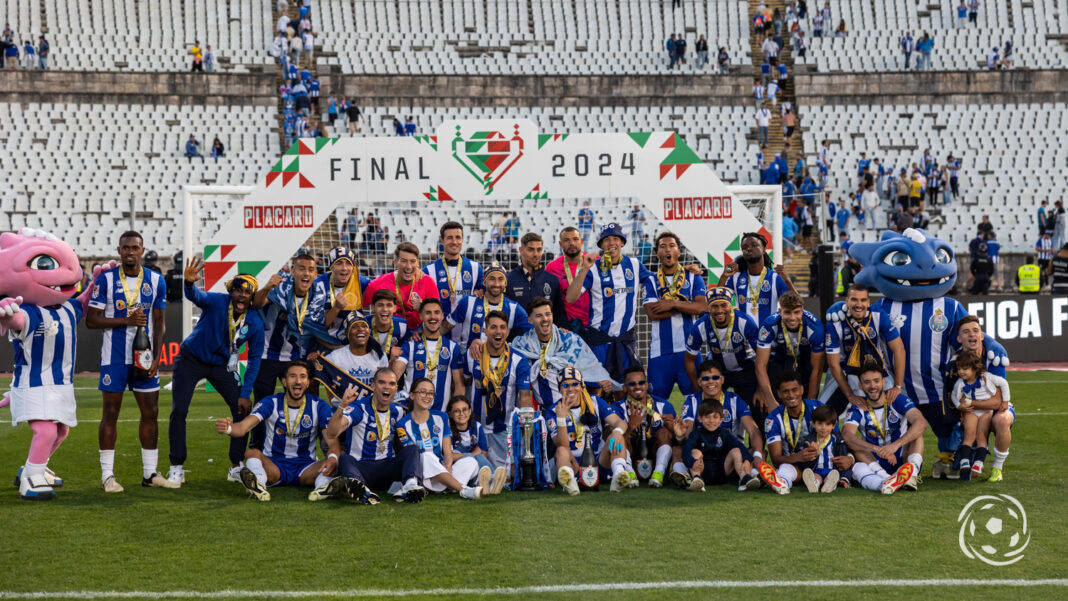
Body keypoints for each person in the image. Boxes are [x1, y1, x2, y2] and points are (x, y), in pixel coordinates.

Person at [85, 231, 174, 492]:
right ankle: (107, 476)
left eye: (135, 247)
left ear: (142, 250)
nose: (130, 252)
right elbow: (91, 320)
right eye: (126, 248)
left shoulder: (157, 280)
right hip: (114, 358)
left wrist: (157, 358)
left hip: (144, 358)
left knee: (151, 413)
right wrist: (127, 320)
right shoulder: (106, 280)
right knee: (110, 414)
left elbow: (159, 322)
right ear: (119, 250)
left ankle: (150, 474)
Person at [167, 259, 265, 486]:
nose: (242, 296)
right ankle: (177, 466)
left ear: (252, 297)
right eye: (238, 290)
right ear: (231, 292)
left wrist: (246, 392)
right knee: (179, 409)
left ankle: (235, 465)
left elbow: (254, 359)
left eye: (247, 292)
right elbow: (197, 297)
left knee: (242, 408)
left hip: (222, 365)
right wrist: (189, 285)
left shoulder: (255, 323)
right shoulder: (218, 301)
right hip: (190, 359)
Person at [214, 360, 341, 501]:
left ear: (308, 382)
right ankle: (259, 484)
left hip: (305, 467)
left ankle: (322, 489)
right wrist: (229, 428)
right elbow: (244, 427)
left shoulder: (319, 406)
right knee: (252, 453)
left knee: (332, 463)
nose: (298, 381)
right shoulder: (271, 402)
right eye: (293, 376)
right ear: (284, 382)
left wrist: (333, 459)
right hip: (274, 466)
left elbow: (332, 440)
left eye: (303, 376)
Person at [566, 223, 653, 383]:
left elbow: (656, 278)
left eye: (615, 238)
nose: (611, 243)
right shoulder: (592, 268)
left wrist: (683, 270)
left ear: (622, 242)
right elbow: (570, 298)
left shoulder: (634, 265)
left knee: (629, 388)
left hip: (626, 341)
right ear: (601, 245)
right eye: (606, 239)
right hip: (600, 340)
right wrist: (584, 268)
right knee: (598, 389)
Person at [325, 368, 426, 503]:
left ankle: (410, 485)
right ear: (373, 385)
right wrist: (342, 405)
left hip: (387, 467)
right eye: (382, 382)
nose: (387, 387)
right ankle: (360, 488)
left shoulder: (398, 411)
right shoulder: (359, 408)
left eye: (391, 384)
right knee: (345, 458)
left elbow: (405, 438)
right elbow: (332, 433)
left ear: (396, 388)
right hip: (362, 468)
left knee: (412, 449)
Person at [511, 297, 615, 410]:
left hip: (575, 409)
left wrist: (601, 380)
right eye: (539, 316)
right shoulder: (522, 345)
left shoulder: (570, 340)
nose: (545, 319)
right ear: (530, 320)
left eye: (548, 314)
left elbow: (589, 367)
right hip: (546, 411)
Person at [459, 309, 532, 469]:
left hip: (503, 430)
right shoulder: (473, 355)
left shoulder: (519, 360)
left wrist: (527, 430)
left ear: (507, 331)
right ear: (485, 331)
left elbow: (525, 397)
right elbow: (464, 384)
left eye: (502, 327)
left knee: (509, 475)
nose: (498, 331)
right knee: (473, 467)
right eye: (493, 327)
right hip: (475, 429)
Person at [251, 254, 324, 410]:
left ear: (316, 274)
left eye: (311, 270)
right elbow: (257, 304)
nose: (306, 273)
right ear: (293, 271)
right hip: (267, 355)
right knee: (262, 407)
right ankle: (259, 436)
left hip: (296, 357)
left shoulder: (319, 296)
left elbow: (321, 326)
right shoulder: (280, 289)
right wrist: (266, 288)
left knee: (297, 406)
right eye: (302, 269)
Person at [677, 360, 764, 487]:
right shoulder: (692, 401)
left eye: (715, 377)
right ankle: (688, 475)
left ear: (722, 380)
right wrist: (681, 436)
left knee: (754, 452)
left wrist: (756, 455)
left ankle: (750, 476)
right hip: (702, 458)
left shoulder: (734, 400)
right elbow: (688, 432)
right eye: (706, 378)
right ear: (699, 382)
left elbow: (753, 430)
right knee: (679, 449)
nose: (711, 382)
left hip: (730, 458)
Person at [842, 363, 927, 494]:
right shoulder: (858, 407)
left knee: (917, 434)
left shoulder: (897, 399)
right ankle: (886, 481)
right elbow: (847, 435)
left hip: (901, 457)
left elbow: (921, 423)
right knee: (853, 449)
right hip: (874, 461)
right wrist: (876, 449)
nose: (872, 386)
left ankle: (911, 474)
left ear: (883, 382)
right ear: (860, 386)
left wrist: (894, 446)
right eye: (867, 382)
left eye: (876, 381)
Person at [546, 367, 632, 494]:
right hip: (573, 462)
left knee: (616, 437)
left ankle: (618, 475)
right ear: (559, 389)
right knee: (561, 451)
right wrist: (561, 419)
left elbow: (621, 423)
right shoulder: (553, 410)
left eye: (575, 384)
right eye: (565, 385)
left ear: (582, 386)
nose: (571, 389)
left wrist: (617, 432)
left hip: (597, 460)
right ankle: (570, 484)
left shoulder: (595, 402)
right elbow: (562, 444)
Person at [822, 284, 905, 415]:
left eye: (862, 300)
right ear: (847, 301)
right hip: (845, 371)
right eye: (854, 299)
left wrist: (897, 386)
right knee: (822, 413)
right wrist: (850, 395)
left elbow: (899, 349)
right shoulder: (835, 323)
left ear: (868, 302)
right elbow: (833, 364)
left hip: (875, 369)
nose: (858, 304)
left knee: (901, 411)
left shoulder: (878, 315)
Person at [641, 232, 706, 399]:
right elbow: (652, 314)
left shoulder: (693, 277)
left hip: (689, 350)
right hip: (660, 352)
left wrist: (671, 304)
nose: (667, 249)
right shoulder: (650, 280)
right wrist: (686, 305)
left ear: (678, 252)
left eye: (671, 246)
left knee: (697, 399)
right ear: (657, 253)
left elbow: (701, 307)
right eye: (662, 246)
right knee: (656, 401)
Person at [396, 378, 484, 500]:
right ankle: (463, 489)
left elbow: (448, 452)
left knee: (471, 462)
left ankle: (446, 486)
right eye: (422, 391)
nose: (428, 396)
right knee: (426, 456)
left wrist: (447, 467)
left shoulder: (441, 417)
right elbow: (412, 457)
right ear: (412, 395)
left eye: (431, 393)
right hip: (422, 472)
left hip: (442, 468)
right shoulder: (402, 424)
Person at [684, 287, 761, 414]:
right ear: (708, 308)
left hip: (745, 370)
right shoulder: (701, 325)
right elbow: (689, 359)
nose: (719, 310)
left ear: (730, 305)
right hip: (718, 372)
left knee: (758, 408)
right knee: (709, 409)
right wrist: (697, 388)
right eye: (714, 306)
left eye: (724, 305)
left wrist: (761, 389)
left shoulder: (744, 321)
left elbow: (761, 356)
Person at [758, 371, 826, 494]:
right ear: (779, 394)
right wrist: (798, 457)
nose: (791, 395)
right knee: (784, 469)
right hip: (794, 466)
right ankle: (781, 484)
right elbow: (776, 460)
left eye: (794, 390)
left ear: (802, 389)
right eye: (785, 391)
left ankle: (777, 479)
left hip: (822, 464)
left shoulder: (818, 408)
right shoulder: (773, 420)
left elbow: (837, 437)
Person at [392, 298, 463, 411]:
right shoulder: (410, 344)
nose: (432, 317)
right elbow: (394, 376)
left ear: (442, 316)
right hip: (411, 412)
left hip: (439, 414)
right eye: (428, 313)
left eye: (436, 312)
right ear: (421, 316)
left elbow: (459, 386)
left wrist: (453, 413)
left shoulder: (453, 347)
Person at [755, 292, 824, 407]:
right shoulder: (769, 325)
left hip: (804, 359)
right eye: (787, 312)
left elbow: (817, 370)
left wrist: (811, 402)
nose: (792, 318)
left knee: (807, 401)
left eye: (796, 312)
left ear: (802, 310)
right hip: (780, 358)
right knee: (764, 404)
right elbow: (760, 366)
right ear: (780, 311)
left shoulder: (815, 327)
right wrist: (770, 400)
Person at [950, 350, 1010, 481]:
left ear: (975, 368)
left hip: (986, 412)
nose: (961, 372)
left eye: (965, 369)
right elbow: (954, 395)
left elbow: (1003, 383)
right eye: (959, 368)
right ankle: (965, 461)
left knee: (981, 436)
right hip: (971, 411)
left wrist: (1005, 401)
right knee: (969, 433)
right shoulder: (960, 382)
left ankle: (979, 463)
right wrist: (959, 406)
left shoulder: (986, 377)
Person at [446, 262, 530, 354]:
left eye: (500, 279)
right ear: (484, 282)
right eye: (492, 279)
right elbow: (445, 327)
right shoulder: (468, 302)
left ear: (505, 283)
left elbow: (533, 330)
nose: (496, 284)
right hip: (469, 363)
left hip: (498, 364)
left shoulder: (513, 308)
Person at [614, 366, 676, 487]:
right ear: (624, 388)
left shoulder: (664, 405)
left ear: (647, 385)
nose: (638, 386)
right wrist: (630, 426)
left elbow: (678, 441)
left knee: (664, 432)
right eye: (632, 384)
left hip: (655, 456)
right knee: (619, 435)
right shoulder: (617, 408)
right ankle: (629, 475)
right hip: (630, 456)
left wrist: (673, 430)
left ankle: (659, 475)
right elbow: (609, 440)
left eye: (641, 382)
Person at [681, 398, 759, 492]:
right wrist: (692, 462)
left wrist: (747, 460)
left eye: (715, 417)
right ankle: (697, 479)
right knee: (695, 452)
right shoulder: (696, 433)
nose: (711, 420)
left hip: (722, 471)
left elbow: (740, 446)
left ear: (721, 419)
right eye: (707, 416)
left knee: (736, 451)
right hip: (702, 470)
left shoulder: (724, 434)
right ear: (700, 418)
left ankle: (744, 479)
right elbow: (685, 449)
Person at [718, 231, 795, 325]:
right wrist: (724, 276)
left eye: (754, 245)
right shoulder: (736, 277)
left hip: (769, 335)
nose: (749, 249)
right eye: (745, 247)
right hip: (743, 336)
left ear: (763, 250)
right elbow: (718, 300)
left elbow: (794, 305)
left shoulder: (775, 278)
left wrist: (788, 281)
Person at [364, 242, 439, 330]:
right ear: (396, 262)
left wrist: (422, 308)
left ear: (418, 263)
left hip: (417, 336)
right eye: (404, 261)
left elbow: (437, 316)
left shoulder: (428, 282)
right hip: (389, 335)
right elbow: (358, 306)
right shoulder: (378, 284)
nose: (408, 266)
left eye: (412, 261)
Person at [310, 247, 370, 354]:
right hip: (325, 343)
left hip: (354, 342)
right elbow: (317, 327)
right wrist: (336, 308)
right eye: (339, 263)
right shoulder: (318, 286)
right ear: (331, 267)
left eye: (348, 263)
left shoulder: (361, 283)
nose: (344, 268)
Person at [446, 394, 508, 494]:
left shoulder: (477, 427)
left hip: (476, 467)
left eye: (465, 409)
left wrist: (474, 455)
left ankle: (488, 482)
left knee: (480, 457)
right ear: (450, 414)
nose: (461, 414)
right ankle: (489, 482)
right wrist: (471, 454)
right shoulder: (448, 431)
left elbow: (484, 453)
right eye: (456, 411)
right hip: (459, 470)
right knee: (474, 458)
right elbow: (449, 457)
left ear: (470, 411)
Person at [423, 221, 483, 323]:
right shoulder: (428, 270)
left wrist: (481, 292)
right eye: (450, 238)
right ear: (442, 241)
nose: (454, 242)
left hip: (468, 332)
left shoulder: (476, 268)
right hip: (440, 332)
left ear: (462, 240)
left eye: (458, 237)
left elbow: (483, 295)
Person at [505, 233, 567, 328]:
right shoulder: (508, 279)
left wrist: (563, 328)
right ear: (521, 250)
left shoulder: (552, 280)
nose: (535, 254)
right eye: (531, 249)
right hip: (517, 339)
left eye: (539, 250)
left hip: (545, 339)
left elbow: (559, 313)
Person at [320, 312, 388, 396]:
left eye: (364, 326)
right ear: (347, 334)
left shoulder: (380, 355)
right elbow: (328, 386)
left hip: (371, 407)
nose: (360, 329)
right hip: (343, 407)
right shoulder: (334, 357)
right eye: (354, 327)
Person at [797, 404, 853, 492]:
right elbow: (804, 464)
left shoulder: (838, 441)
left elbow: (843, 461)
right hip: (816, 470)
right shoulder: (809, 441)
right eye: (820, 424)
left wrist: (845, 478)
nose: (823, 428)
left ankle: (830, 485)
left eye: (827, 424)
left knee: (832, 476)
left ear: (834, 426)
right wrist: (812, 454)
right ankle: (814, 484)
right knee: (815, 477)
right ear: (813, 424)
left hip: (832, 470)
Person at [545, 226, 593, 329]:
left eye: (575, 239)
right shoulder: (551, 267)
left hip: (594, 324)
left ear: (581, 241)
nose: (571, 243)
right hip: (567, 326)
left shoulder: (594, 262)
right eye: (566, 240)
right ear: (560, 244)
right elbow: (549, 299)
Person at [365, 289, 409, 364]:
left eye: (389, 305)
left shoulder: (402, 325)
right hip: (367, 365)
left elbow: (408, 347)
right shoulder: (363, 324)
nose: (385, 309)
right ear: (373, 308)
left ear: (395, 308)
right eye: (380, 305)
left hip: (391, 366)